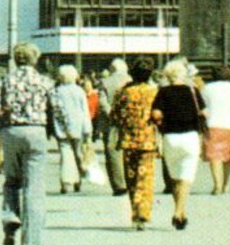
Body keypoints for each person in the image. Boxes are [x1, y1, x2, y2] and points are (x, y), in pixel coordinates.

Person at [0, 43, 53, 245]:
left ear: (16, 60)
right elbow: (55, 109)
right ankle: (32, 240)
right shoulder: (44, 81)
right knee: (34, 186)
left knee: (11, 181)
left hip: (11, 131)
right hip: (36, 131)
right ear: (35, 59)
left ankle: (10, 217)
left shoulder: (5, 81)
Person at [152, 60, 203, 229]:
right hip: (190, 136)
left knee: (175, 179)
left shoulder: (163, 92)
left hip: (170, 138)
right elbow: (204, 112)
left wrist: (161, 122)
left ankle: (181, 213)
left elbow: (156, 114)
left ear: (167, 75)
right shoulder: (193, 91)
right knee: (186, 178)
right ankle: (178, 211)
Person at [112, 57, 159, 229]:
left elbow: (115, 115)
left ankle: (135, 213)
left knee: (131, 179)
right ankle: (143, 213)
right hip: (147, 140)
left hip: (128, 140)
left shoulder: (123, 92)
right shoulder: (154, 92)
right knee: (145, 178)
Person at [200, 64, 230, 196]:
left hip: (212, 124)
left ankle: (217, 185)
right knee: (227, 156)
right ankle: (225, 184)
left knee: (215, 156)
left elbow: (203, 108)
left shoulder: (206, 89)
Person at [49, 64, 93, 194]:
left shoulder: (55, 91)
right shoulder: (79, 91)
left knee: (65, 154)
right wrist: (87, 129)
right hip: (78, 127)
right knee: (78, 154)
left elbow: (53, 111)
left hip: (61, 127)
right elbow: (84, 111)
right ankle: (78, 179)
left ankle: (65, 182)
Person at [99, 57, 131, 197]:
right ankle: (131, 180)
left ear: (112, 69)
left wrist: (111, 113)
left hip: (111, 122)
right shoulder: (131, 80)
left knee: (112, 152)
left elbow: (102, 102)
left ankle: (119, 185)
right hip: (130, 121)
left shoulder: (105, 82)